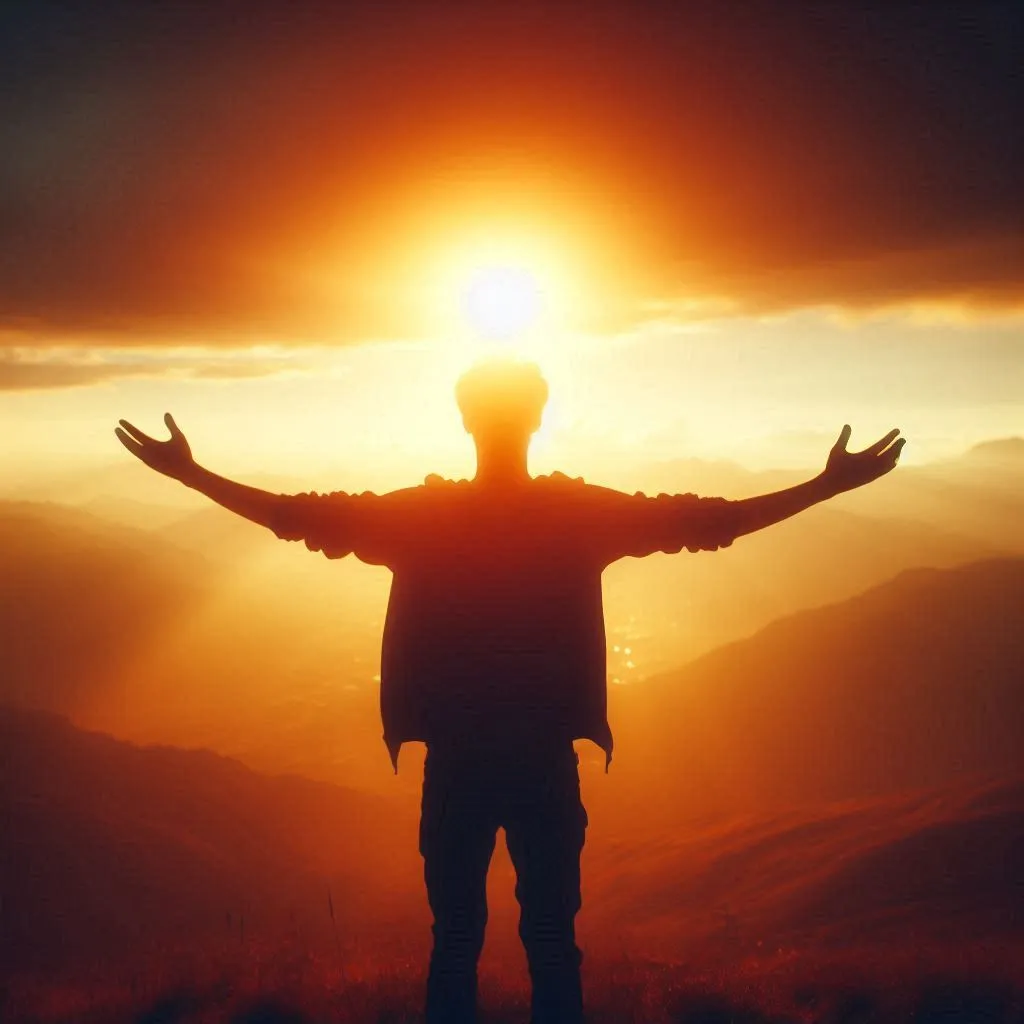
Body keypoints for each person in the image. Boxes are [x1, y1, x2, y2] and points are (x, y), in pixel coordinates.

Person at [115, 358, 904, 1023]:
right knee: (553, 941)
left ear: (464, 422)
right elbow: (714, 522)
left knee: (455, 939)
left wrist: (190, 474)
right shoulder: (576, 514)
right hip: (541, 760)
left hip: (457, 762)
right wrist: (824, 488)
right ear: (537, 420)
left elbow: (292, 517)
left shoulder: (422, 518)